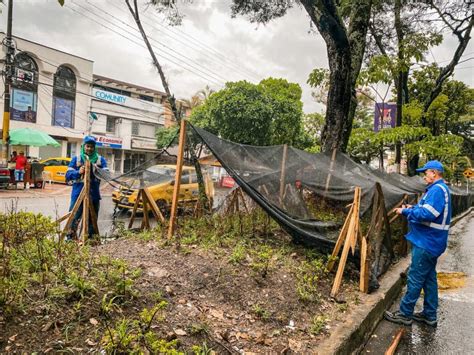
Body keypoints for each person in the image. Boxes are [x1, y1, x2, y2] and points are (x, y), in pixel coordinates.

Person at [384, 160, 452, 327]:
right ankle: (430, 315)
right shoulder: (440, 189)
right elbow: (426, 209)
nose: (424, 176)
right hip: (433, 242)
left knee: (415, 278)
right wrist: (412, 207)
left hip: (427, 242)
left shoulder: (437, 190)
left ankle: (405, 314)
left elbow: (427, 214)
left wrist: (406, 211)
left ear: (434, 173)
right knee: (429, 279)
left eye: (426, 172)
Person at [65, 136, 108, 241]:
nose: (89, 149)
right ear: (84, 146)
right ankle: (70, 239)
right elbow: (68, 175)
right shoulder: (77, 159)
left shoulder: (100, 160)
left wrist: (96, 170)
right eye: (87, 146)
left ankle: (90, 240)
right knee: (74, 217)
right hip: (78, 194)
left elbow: (106, 175)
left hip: (93, 195)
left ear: (95, 148)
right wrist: (78, 172)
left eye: (92, 147)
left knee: (92, 219)